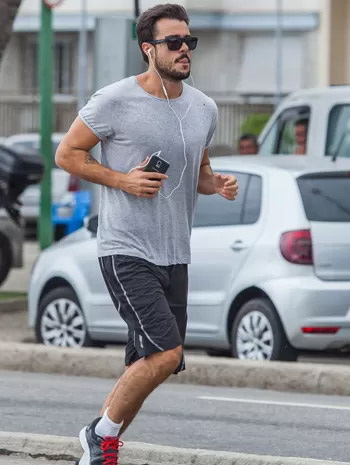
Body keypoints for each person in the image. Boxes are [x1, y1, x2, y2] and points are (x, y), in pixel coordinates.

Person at [54, 4, 238, 464]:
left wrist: (216, 184)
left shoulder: (204, 108)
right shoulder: (114, 100)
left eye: (188, 42)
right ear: (148, 48)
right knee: (165, 352)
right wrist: (123, 180)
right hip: (126, 248)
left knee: (152, 360)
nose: (184, 50)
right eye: (173, 42)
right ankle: (100, 435)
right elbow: (67, 154)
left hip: (175, 252)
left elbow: (200, 170)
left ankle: (99, 448)